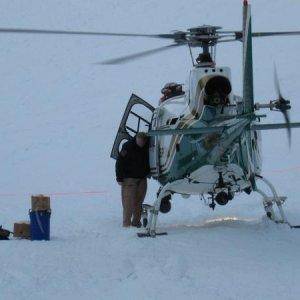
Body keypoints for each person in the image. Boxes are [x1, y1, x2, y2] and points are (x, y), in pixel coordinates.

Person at [115, 132, 150, 227]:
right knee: (128, 202)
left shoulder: (148, 146)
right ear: (136, 139)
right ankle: (126, 224)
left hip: (142, 178)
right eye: (139, 142)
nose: (141, 144)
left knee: (139, 201)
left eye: (143, 142)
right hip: (129, 179)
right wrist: (119, 177)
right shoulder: (127, 146)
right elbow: (119, 162)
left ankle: (136, 222)